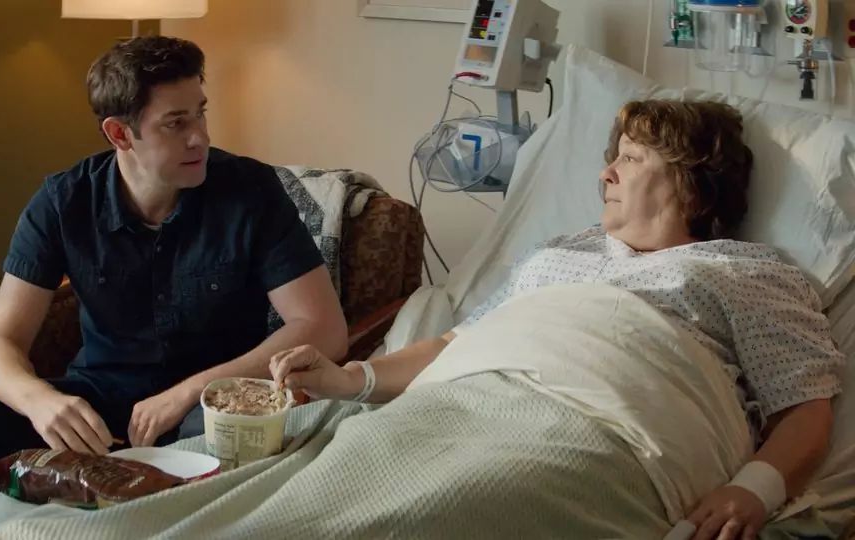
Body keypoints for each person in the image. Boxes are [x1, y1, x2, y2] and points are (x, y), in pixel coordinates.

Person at [269, 100, 845, 540]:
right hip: (459, 403)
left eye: (630, 158)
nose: (606, 175)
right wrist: (349, 379)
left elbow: (804, 405)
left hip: (591, 431)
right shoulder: (560, 252)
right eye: (611, 159)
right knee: (319, 486)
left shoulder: (747, 272)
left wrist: (754, 490)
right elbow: (456, 341)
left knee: (442, 509)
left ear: (692, 187)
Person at [0, 36, 348, 499]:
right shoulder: (62, 202)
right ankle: (13, 530)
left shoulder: (252, 191)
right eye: (175, 123)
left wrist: (188, 391)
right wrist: (41, 402)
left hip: (212, 402)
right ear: (119, 134)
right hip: (101, 395)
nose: (200, 137)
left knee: (221, 434)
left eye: (200, 113)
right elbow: (0, 344)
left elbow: (324, 327)